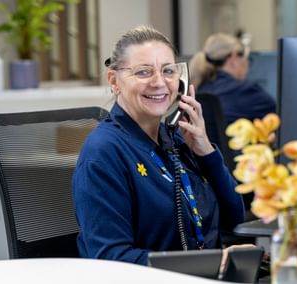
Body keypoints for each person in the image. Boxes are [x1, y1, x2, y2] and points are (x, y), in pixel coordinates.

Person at [72, 25, 245, 266]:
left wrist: (206, 152)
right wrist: (209, 263)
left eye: (168, 71)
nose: (159, 82)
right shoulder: (104, 152)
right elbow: (110, 259)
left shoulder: (176, 140)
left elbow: (235, 219)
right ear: (114, 80)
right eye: (143, 72)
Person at [189, 32, 276, 126]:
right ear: (234, 58)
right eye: (247, 59)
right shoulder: (246, 91)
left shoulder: (199, 87)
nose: (247, 65)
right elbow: (280, 114)